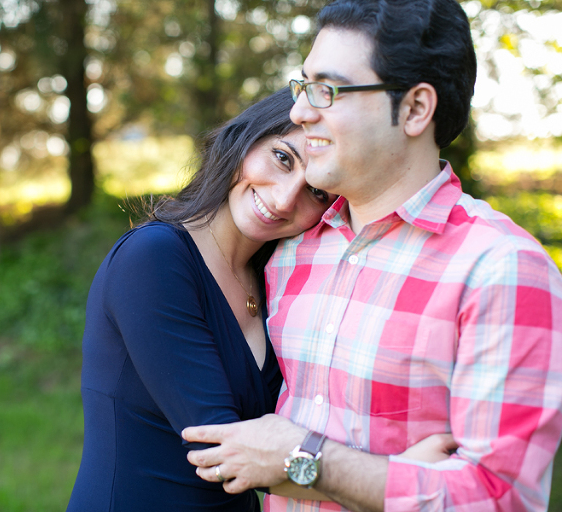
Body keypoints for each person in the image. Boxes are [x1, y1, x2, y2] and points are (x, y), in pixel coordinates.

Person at [182, 1, 562, 511]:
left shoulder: (502, 269)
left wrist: (309, 459)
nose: (298, 112)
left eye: (327, 90)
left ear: (414, 109)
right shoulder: (290, 248)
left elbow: (503, 497)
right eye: (303, 86)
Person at [65, 88, 339, 512]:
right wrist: (380, 478)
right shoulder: (153, 259)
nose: (285, 198)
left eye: (317, 192)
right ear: (245, 138)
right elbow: (225, 453)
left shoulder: (275, 280)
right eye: (283, 158)